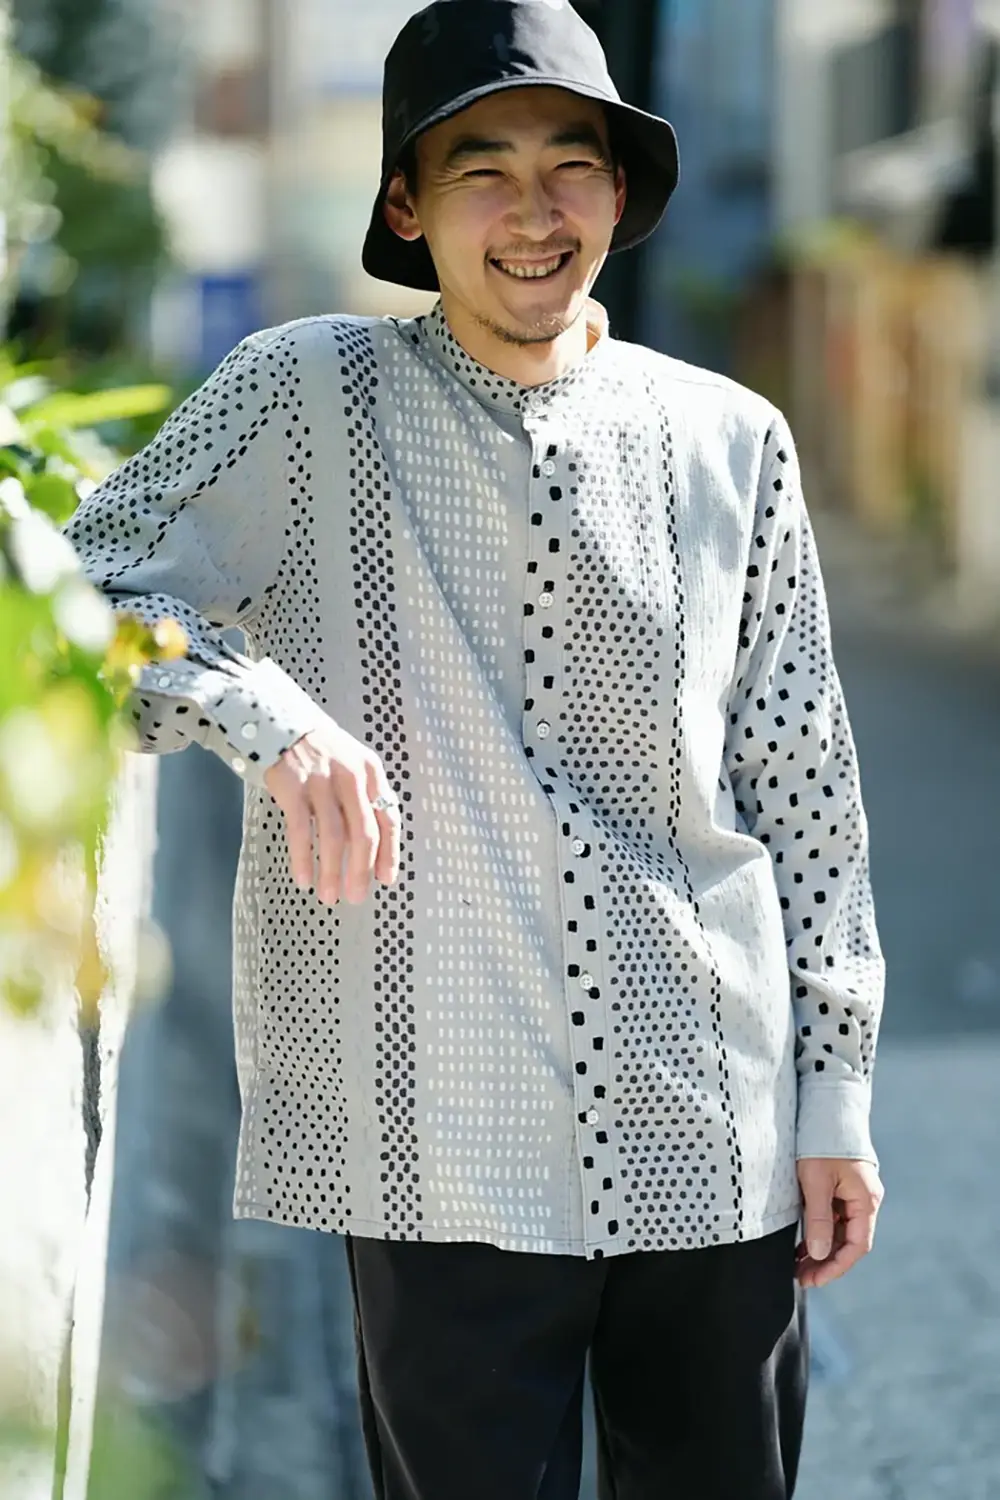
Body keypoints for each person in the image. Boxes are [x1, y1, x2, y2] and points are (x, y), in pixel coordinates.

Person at [67, 2, 886, 1496]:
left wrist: (835, 1101)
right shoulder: (300, 392)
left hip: (715, 1126)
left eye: (570, 166)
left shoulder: (734, 439)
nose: (533, 213)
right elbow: (78, 591)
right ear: (406, 205)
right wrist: (269, 716)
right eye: (479, 171)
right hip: (435, 1149)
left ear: (618, 194)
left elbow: (805, 792)